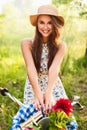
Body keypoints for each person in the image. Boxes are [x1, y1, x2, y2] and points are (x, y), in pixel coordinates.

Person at [21, 4, 78, 129]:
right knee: (33, 119)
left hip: (52, 83)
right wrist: (37, 93)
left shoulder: (60, 46)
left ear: (55, 25)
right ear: (37, 24)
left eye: (49, 23)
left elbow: (54, 69)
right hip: (33, 83)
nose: (45, 27)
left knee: (61, 118)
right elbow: (30, 68)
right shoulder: (27, 44)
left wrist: (49, 92)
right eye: (42, 22)